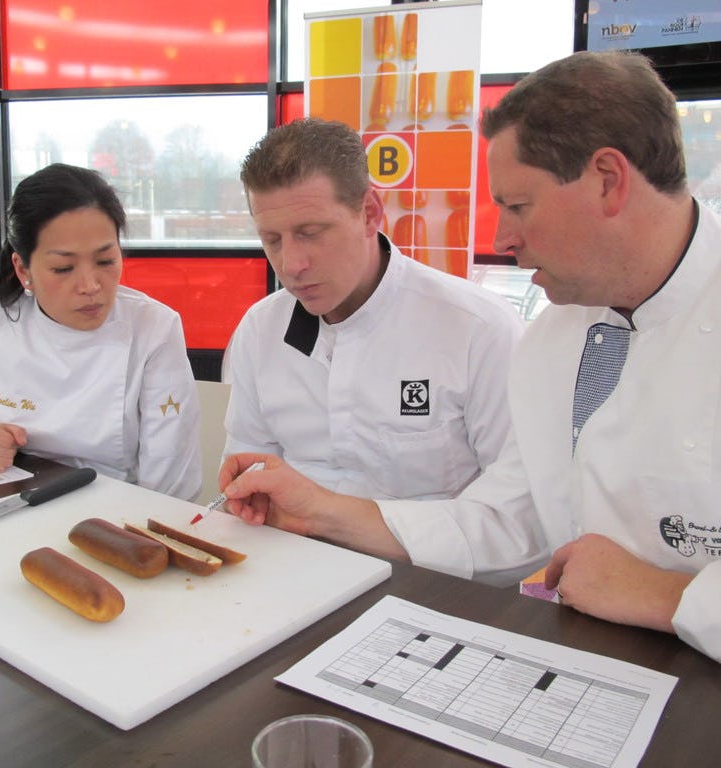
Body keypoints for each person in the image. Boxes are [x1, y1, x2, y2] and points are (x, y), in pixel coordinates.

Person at [218, 51, 721, 664]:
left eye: (517, 205)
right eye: (272, 240)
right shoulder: (556, 341)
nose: (502, 239)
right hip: (602, 659)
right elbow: (509, 522)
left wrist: (671, 596)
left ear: (608, 181)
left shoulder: (485, 330)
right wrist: (321, 512)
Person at [222, 118, 524, 501]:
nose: (291, 265)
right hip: (294, 555)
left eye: (311, 233)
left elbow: (514, 513)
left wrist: (333, 520)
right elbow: (247, 469)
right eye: (272, 240)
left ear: (368, 213)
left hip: (429, 562)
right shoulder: (260, 329)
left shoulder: (479, 330)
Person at [0, 163, 201, 501]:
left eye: (105, 260)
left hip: (116, 509)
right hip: (12, 496)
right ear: (23, 268)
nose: (90, 286)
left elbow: (171, 476)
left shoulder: (153, 328)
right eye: (63, 268)